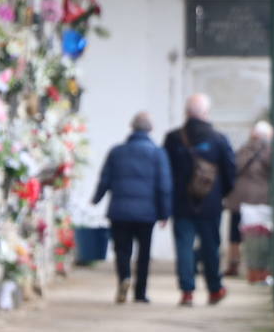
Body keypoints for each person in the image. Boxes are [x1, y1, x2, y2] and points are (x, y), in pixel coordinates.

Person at [91, 112, 173, 304]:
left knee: (122, 250)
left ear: (132, 128)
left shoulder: (117, 151)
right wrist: (164, 213)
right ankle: (140, 292)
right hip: (147, 213)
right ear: (150, 129)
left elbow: (105, 179)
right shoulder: (158, 153)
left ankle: (124, 278)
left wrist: (96, 199)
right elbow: (164, 186)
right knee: (144, 253)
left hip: (120, 211)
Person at [164, 94, 237, 306]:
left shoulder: (173, 138)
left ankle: (187, 292)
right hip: (210, 204)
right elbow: (230, 171)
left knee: (184, 247)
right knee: (210, 247)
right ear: (206, 113)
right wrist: (219, 194)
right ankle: (215, 289)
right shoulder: (219, 139)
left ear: (186, 113)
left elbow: (165, 171)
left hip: (181, 203)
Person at [224, 120, 274, 278]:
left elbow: (233, 167)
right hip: (260, 198)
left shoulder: (243, 149)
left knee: (235, 233)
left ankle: (234, 263)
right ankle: (257, 266)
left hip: (239, 198)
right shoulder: (270, 151)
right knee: (258, 233)